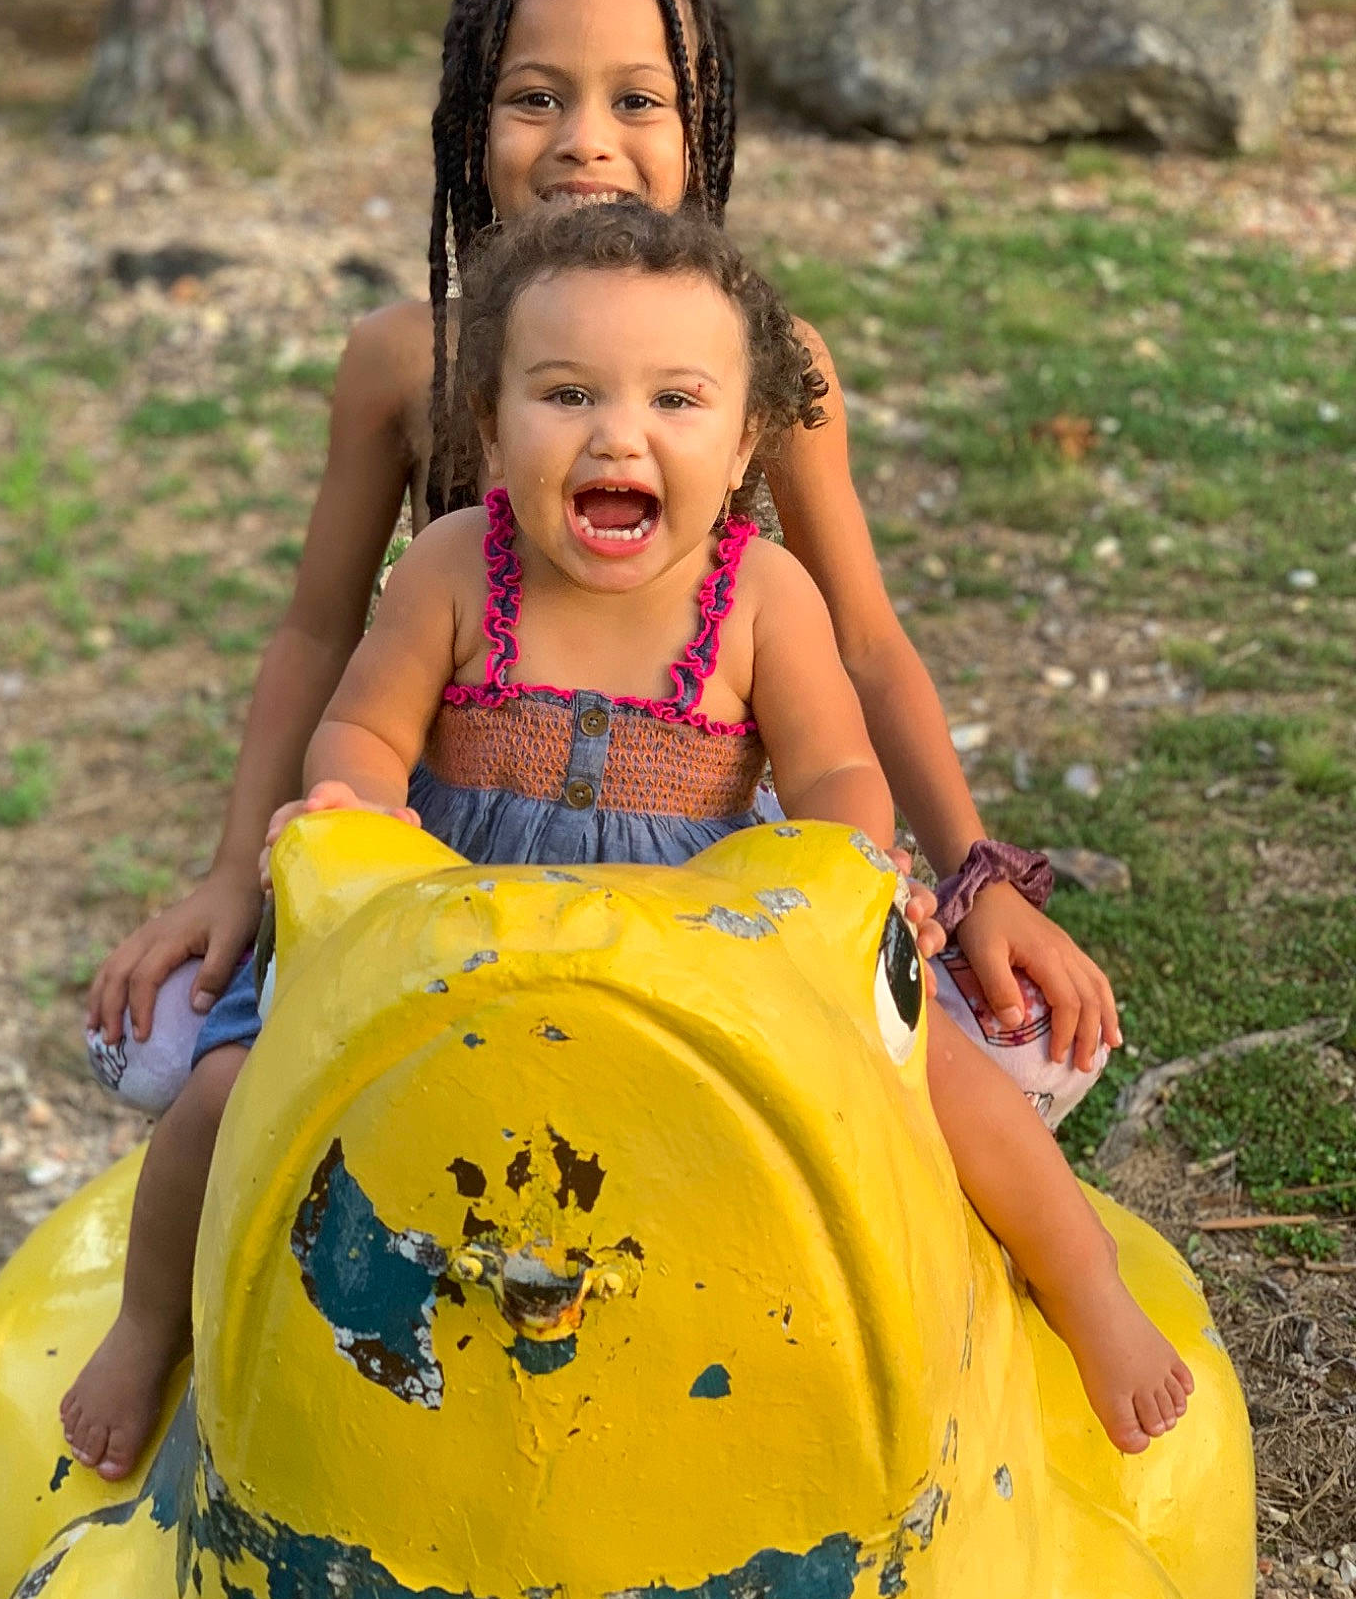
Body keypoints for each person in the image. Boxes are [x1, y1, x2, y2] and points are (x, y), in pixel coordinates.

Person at [60, 204, 1188, 1482]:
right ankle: (151, 1326)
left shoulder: (762, 594)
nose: (618, 430)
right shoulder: (446, 569)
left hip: (705, 940)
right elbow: (360, 728)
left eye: (676, 398)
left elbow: (832, 768)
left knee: (950, 1085)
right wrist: (353, 807)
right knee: (220, 1091)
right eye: (566, 392)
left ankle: (1086, 1295)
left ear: (748, 434)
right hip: (444, 927)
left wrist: (849, 861)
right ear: (491, 424)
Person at [85, 0, 1118, 1106]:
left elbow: (865, 645)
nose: (584, 137)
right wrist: (235, 874)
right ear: (474, 122)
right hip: (438, 858)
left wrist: (976, 879)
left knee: (986, 1062)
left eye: (638, 98)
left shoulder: (773, 365)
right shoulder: (398, 361)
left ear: (702, 130)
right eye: (536, 97)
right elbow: (319, 636)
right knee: (193, 1063)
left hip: (698, 852)